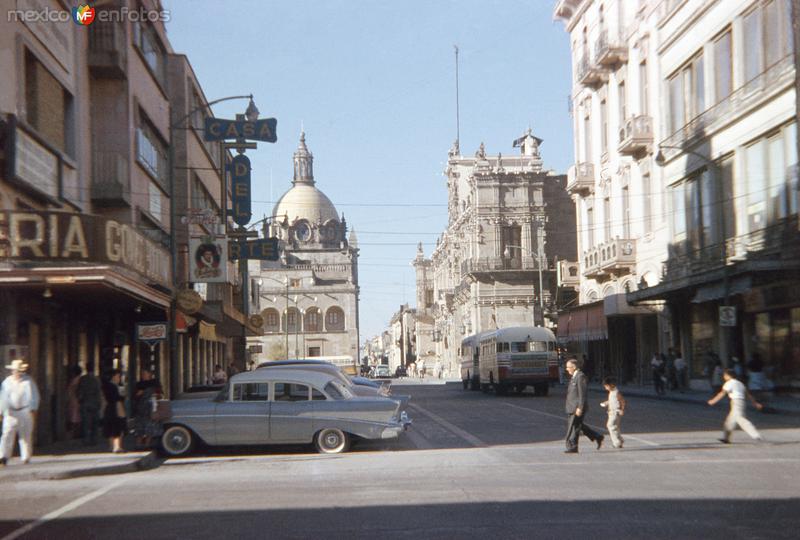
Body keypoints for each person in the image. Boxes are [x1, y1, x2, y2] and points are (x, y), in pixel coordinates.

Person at [0, 359, 40, 466]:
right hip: (10, 412)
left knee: (25, 435)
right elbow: (3, 398)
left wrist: (33, 410)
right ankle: (3, 456)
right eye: (15, 370)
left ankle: (25, 457)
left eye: (19, 371)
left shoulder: (28, 381)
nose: (17, 372)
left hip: (24, 411)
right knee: (7, 435)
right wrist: (1, 411)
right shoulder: (7, 382)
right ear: (12, 371)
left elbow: (34, 396)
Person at [707, 368, 764, 444]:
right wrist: (755, 403)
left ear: (728, 375)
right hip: (741, 402)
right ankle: (726, 438)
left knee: (741, 419)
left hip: (736, 402)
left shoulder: (729, 383)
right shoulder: (740, 383)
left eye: (724, 375)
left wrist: (713, 401)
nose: (724, 377)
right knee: (729, 421)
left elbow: (722, 393)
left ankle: (756, 435)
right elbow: (748, 395)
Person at [564, 357, 604, 453]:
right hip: (571, 407)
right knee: (577, 425)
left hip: (577, 407)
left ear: (573, 367)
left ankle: (572, 446)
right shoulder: (574, 376)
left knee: (573, 426)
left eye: (568, 367)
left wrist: (580, 407)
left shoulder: (580, 376)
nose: (567, 369)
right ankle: (597, 436)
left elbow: (582, 394)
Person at [133, 368, 163, 449]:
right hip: (141, 408)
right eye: (142, 374)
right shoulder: (139, 384)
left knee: (150, 426)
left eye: (145, 373)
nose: (143, 376)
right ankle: (138, 444)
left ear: (150, 374)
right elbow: (134, 396)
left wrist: (156, 395)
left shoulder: (155, 383)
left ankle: (147, 444)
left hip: (151, 407)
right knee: (140, 426)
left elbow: (160, 394)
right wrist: (138, 394)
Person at [76, 362, 103, 446]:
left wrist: (80, 400)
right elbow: (99, 392)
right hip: (94, 402)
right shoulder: (96, 379)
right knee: (94, 422)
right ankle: (94, 440)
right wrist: (99, 403)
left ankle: (86, 439)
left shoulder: (83, 379)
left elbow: (79, 391)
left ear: (86, 369)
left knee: (85, 422)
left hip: (85, 402)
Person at [102, 369, 126, 453]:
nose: (119, 378)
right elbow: (119, 398)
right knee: (117, 426)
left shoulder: (106, 386)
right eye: (118, 376)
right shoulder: (115, 387)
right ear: (113, 377)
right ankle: (117, 446)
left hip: (109, 408)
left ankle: (111, 446)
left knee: (110, 427)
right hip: (116, 407)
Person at [600, 377, 626, 449]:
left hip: (615, 412)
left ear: (611, 385)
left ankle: (617, 442)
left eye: (606, 386)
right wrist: (606, 403)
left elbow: (622, 401)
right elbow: (612, 401)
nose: (606, 388)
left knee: (610, 425)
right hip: (611, 412)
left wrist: (622, 409)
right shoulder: (611, 392)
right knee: (615, 427)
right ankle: (620, 440)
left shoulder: (616, 393)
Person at [66, 365, 82, 438]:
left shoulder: (75, 380)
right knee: (76, 417)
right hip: (75, 400)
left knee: (74, 417)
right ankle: (77, 433)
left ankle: (74, 433)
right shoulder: (80, 379)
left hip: (74, 400)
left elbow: (74, 390)